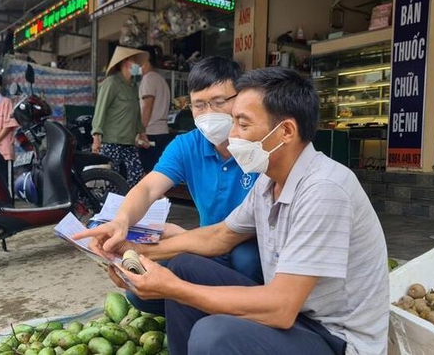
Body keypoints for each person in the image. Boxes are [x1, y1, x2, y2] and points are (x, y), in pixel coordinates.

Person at [77, 67, 389, 355]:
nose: (233, 135)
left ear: (286, 132)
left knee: (213, 335)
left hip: (335, 338)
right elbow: (221, 235)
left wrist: (174, 288)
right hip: (300, 317)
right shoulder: (269, 181)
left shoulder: (324, 189)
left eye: (242, 124)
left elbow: (281, 308)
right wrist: (134, 249)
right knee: (185, 265)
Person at [76, 56, 263, 314]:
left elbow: (233, 234)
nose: (208, 113)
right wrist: (122, 221)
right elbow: (148, 188)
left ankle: (247, 316)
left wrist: (177, 240)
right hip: (207, 244)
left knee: (246, 257)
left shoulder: (261, 146)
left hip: (249, 246)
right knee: (141, 293)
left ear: (240, 98)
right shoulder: (188, 145)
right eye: (199, 105)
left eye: (219, 102)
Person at [91, 47, 150, 188]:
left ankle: (125, 200)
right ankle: (109, 206)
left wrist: (142, 133)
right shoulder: (111, 83)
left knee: (136, 172)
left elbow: (135, 113)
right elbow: (100, 109)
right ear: (126, 63)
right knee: (111, 178)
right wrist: (96, 136)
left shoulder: (133, 86)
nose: (138, 65)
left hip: (128, 140)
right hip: (111, 140)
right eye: (135, 62)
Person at [137, 45, 172, 173]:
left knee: (147, 173)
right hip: (162, 132)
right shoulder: (160, 79)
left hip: (150, 133)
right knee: (157, 172)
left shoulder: (149, 79)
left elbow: (147, 107)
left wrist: (141, 130)